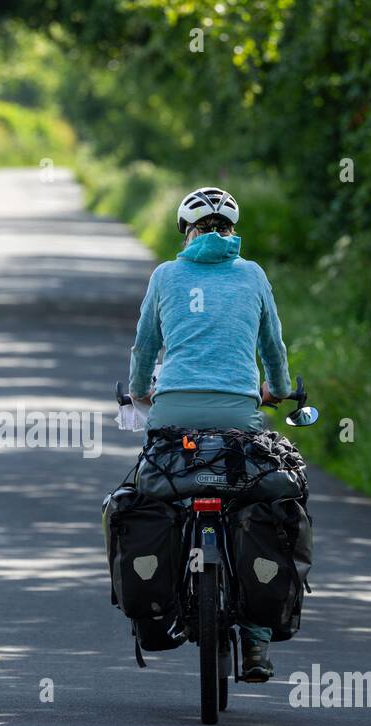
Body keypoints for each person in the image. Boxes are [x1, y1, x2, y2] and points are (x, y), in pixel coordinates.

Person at [128, 185, 292, 682]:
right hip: (239, 416)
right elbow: (273, 347)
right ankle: (258, 643)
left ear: (187, 232)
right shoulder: (254, 275)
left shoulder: (165, 275)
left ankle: (157, 614)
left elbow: (144, 347)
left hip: (172, 412)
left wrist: (139, 395)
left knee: (157, 495)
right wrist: (278, 390)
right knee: (252, 506)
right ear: (232, 231)